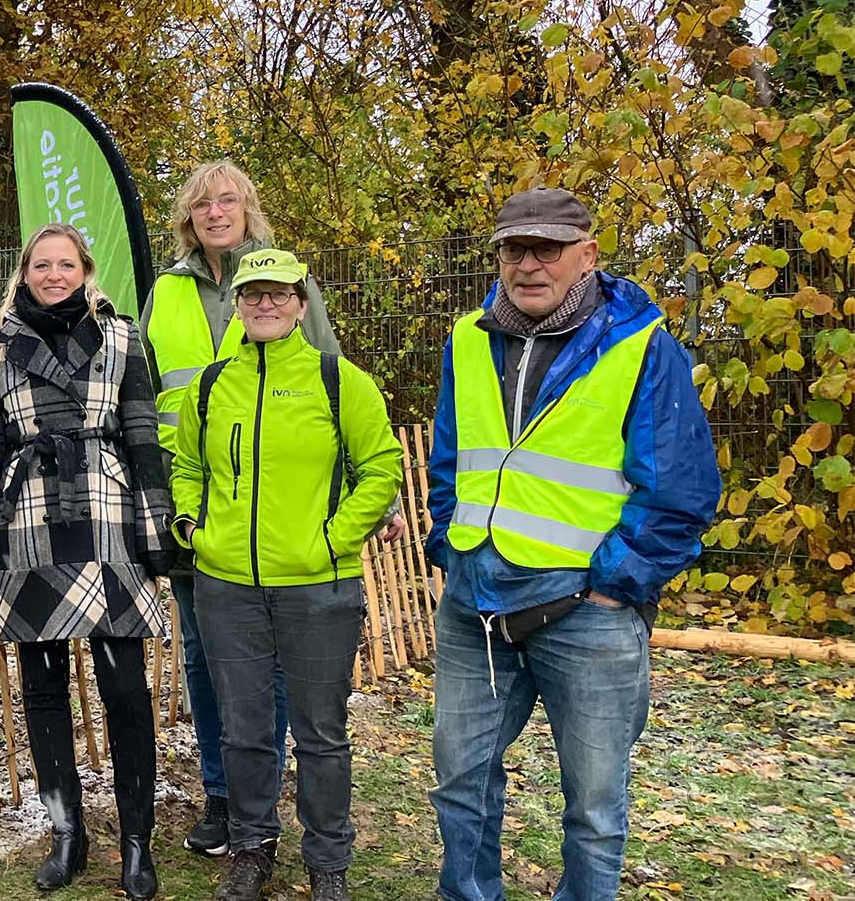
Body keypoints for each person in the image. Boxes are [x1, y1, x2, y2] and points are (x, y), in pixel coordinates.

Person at [425, 189, 719, 901]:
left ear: (587, 255)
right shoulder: (468, 338)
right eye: (513, 249)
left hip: (585, 612)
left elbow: (680, 489)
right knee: (460, 784)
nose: (528, 265)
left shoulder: (641, 346)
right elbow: (449, 458)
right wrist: (449, 543)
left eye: (547, 249)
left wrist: (615, 583)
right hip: (475, 605)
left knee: (592, 807)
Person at [170, 247, 402, 901]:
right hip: (227, 587)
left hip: (317, 587)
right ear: (237, 306)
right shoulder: (210, 387)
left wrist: (332, 538)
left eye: (279, 293)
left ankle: (328, 861)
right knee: (244, 730)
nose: (265, 303)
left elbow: (381, 467)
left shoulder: (339, 380)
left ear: (301, 305)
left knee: (321, 733)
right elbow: (186, 467)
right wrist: (193, 528)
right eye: (253, 294)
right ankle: (251, 850)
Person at [0, 223, 175, 901]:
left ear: (86, 270)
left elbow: (143, 434)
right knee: (44, 688)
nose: (54, 275)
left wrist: (156, 527)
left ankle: (137, 843)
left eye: (66, 265)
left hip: (107, 514)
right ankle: (67, 834)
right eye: (42, 265)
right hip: (29, 515)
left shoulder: (123, 337)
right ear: (23, 274)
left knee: (125, 689)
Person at [138, 160, 334, 857]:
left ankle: (260, 794)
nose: (215, 213)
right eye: (202, 205)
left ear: (248, 208)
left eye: (227, 200)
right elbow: (143, 392)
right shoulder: (165, 291)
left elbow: (335, 384)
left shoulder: (285, 279)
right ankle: (222, 796)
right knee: (202, 655)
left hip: (271, 505)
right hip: (190, 501)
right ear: (187, 219)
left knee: (266, 659)